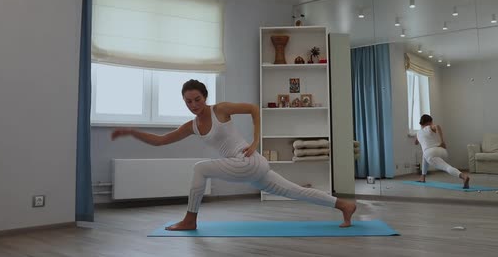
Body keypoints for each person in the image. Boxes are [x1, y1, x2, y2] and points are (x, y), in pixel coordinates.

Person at [111, 79, 356, 230]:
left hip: (246, 161)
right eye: (188, 101)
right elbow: (161, 141)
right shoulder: (191, 126)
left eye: (197, 99)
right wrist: (133, 132)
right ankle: (344, 205)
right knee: (295, 191)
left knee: (200, 168)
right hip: (250, 170)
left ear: (205, 97)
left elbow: (252, 109)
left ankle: (190, 219)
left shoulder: (221, 109)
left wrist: (256, 140)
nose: (193, 105)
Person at [414, 114, 470, 189]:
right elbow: (436, 127)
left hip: (430, 153)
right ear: (430, 122)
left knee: (446, 167)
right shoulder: (429, 127)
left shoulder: (418, 132)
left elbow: (416, 142)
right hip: (442, 151)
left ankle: (464, 176)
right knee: (424, 155)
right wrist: (442, 142)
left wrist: (418, 139)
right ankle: (423, 177)